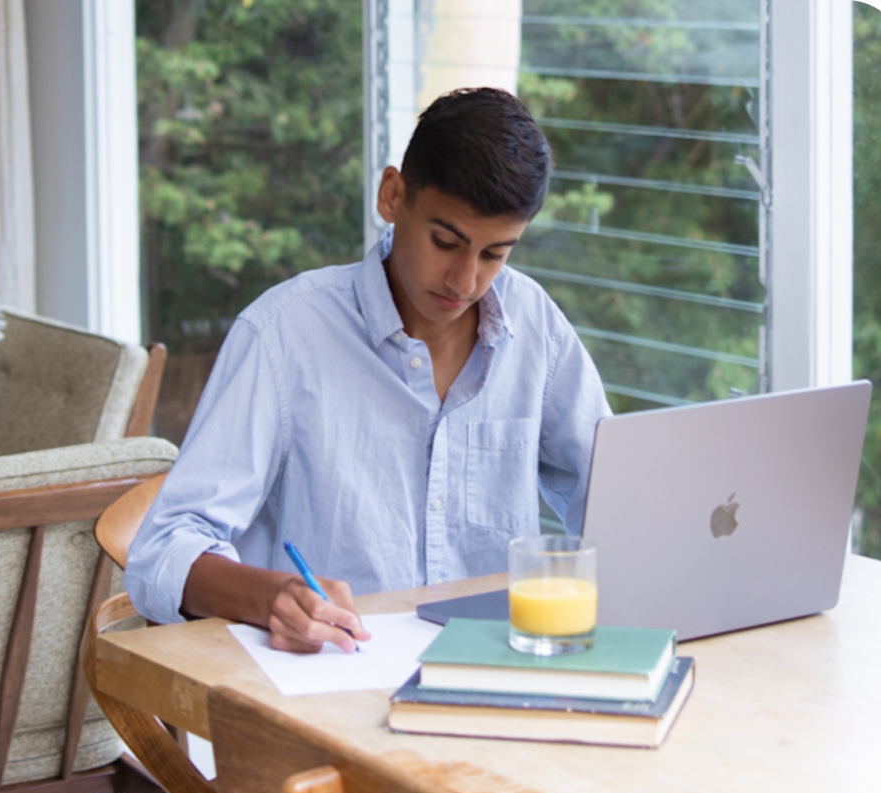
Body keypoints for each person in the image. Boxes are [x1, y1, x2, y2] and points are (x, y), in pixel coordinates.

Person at [125, 87, 612, 654]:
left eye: (494, 254)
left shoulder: (536, 327)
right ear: (392, 195)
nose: (464, 281)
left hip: (497, 672)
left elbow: (615, 501)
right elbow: (162, 550)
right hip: (337, 679)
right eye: (445, 241)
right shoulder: (284, 333)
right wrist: (270, 597)